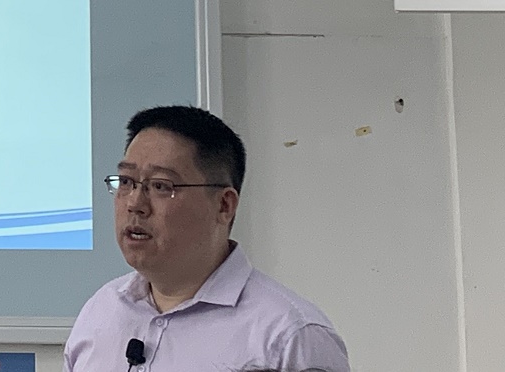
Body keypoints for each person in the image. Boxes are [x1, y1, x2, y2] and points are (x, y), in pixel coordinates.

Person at [63, 105, 349, 372]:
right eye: (126, 182)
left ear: (224, 205)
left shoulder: (289, 336)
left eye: (161, 186)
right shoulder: (101, 311)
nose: (134, 203)